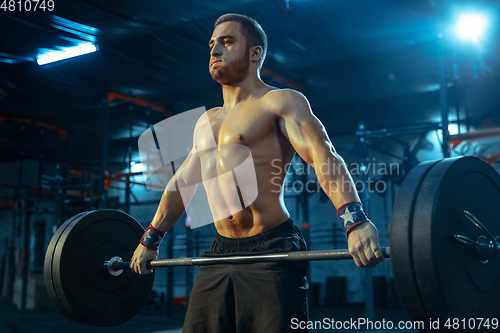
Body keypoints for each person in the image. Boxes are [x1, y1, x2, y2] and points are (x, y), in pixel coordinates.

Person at [131, 13, 385, 333]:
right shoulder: (206, 121)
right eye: (211, 44)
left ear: (255, 54)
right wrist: (151, 237)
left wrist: (354, 220)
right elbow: (182, 183)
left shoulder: (280, 102)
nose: (214, 51)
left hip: (272, 249)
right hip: (220, 251)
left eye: (226, 42)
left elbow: (324, 156)